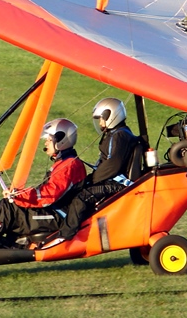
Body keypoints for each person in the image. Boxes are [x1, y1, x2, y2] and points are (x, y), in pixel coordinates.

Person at [0, 118, 86, 248]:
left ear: (61, 141)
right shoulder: (64, 162)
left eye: (49, 140)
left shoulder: (70, 165)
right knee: (10, 206)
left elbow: (49, 195)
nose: (46, 142)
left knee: (8, 209)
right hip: (50, 212)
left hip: (57, 217)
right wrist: (18, 195)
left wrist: (18, 195)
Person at [58, 98, 138, 240]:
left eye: (101, 119)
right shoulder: (118, 133)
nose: (100, 123)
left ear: (111, 116)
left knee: (82, 197)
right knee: (74, 190)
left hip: (117, 184)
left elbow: (111, 166)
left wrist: (91, 181)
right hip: (111, 180)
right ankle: (61, 224)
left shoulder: (119, 136)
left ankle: (65, 236)